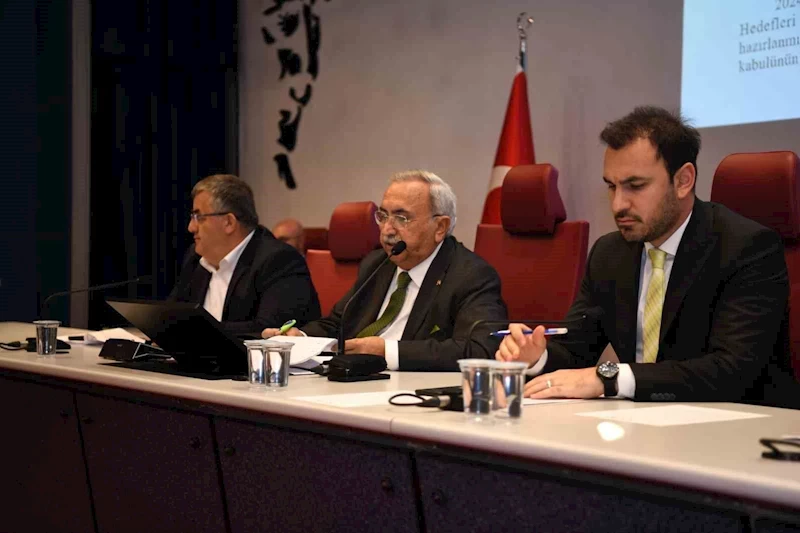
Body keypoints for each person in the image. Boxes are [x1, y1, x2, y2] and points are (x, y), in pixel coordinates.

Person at [497, 106, 799, 409]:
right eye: (611, 186)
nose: (618, 204)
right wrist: (537, 357)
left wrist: (611, 377)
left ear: (683, 181)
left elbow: (732, 370)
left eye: (635, 186)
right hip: (641, 421)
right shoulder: (609, 253)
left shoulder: (747, 247)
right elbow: (576, 348)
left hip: (739, 423)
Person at [263, 170, 508, 371]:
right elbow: (338, 323)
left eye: (402, 218)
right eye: (383, 216)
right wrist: (300, 338)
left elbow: (481, 349)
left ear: (440, 227)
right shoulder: (378, 262)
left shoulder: (471, 275)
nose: (387, 230)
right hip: (353, 379)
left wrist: (388, 351)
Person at [170, 174, 321, 337]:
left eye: (199, 217)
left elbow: (271, 329)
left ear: (229, 222)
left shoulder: (279, 260)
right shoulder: (196, 258)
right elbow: (171, 314)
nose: (191, 227)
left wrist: (194, 331)